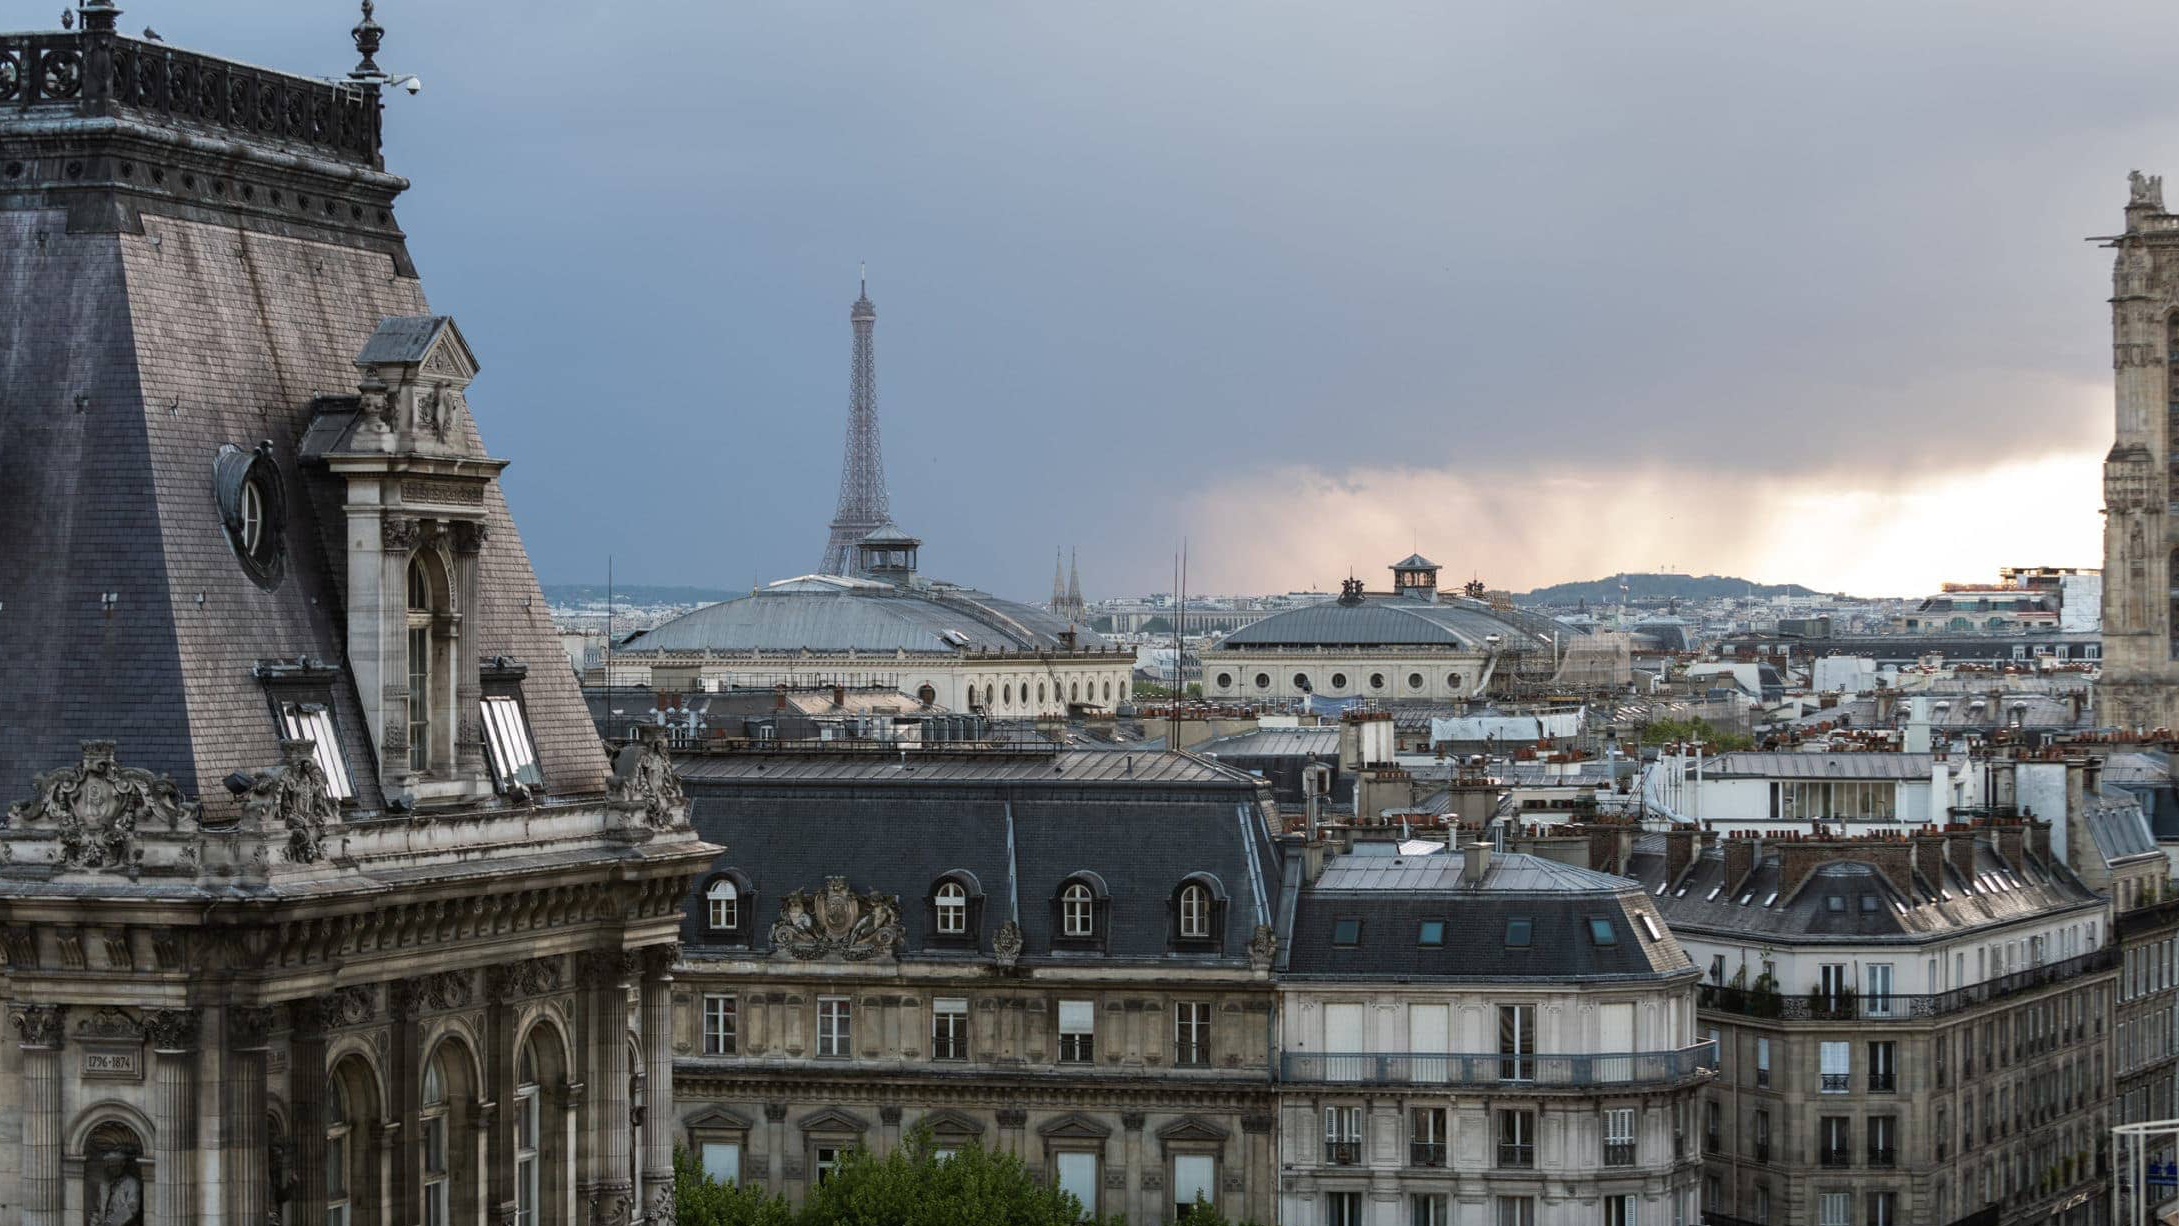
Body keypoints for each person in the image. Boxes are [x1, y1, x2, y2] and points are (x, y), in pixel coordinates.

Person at [90, 1150, 141, 1226]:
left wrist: (111, 1222)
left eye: (115, 1166)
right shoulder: (104, 1185)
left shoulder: (131, 1183)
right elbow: (97, 1208)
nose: (112, 1169)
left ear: (122, 1165)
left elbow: (132, 1208)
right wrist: (94, 1221)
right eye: (110, 1166)